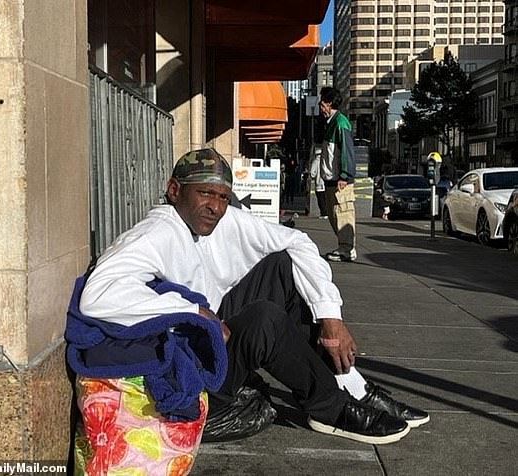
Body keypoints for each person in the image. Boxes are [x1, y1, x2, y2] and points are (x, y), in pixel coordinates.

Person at [79, 148, 429, 448]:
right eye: (204, 194)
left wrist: (330, 318)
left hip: (215, 332)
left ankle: (350, 382)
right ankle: (330, 409)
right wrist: (191, 311)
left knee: (282, 266)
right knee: (265, 320)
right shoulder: (156, 233)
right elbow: (97, 295)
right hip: (198, 364)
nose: (215, 206)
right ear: (174, 191)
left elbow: (298, 242)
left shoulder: (223, 218)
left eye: (221, 196)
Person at [318, 87, 357, 262]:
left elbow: (346, 152)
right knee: (336, 215)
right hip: (331, 179)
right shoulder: (332, 124)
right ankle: (344, 247)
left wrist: (344, 176)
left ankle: (347, 249)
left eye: (322, 102)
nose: (320, 106)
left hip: (339, 180)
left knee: (342, 213)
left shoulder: (340, 123)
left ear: (328, 103)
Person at [305, 144, 328, 219]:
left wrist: (312, 176)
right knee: (325, 198)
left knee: (320, 199)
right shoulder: (326, 160)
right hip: (326, 183)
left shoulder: (315, 161)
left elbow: (312, 172)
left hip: (318, 183)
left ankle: (323, 213)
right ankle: (327, 213)